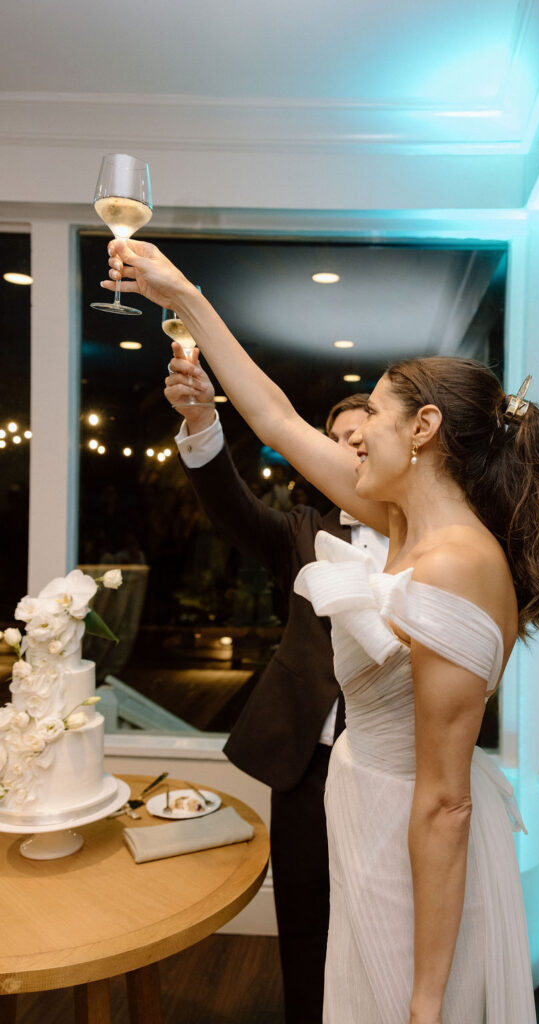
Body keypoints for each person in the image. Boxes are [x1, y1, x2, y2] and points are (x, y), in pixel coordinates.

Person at [103, 240, 539, 1024]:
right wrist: (182, 295)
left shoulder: (456, 562)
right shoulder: (400, 520)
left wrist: (425, 998)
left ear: (423, 428)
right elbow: (277, 417)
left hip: (406, 847)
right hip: (360, 820)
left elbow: (446, 803)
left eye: (374, 421)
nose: (357, 443)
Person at [164, 363, 388, 1024]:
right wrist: (202, 424)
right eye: (339, 437)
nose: (352, 446)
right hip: (306, 765)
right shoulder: (300, 530)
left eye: (363, 434)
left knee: (380, 918)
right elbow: (230, 506)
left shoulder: (425, 531)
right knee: (305, 918)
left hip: (390, 765)